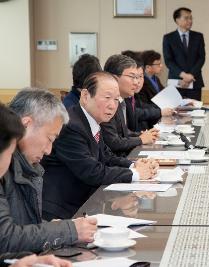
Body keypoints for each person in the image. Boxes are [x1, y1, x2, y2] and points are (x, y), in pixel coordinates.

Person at [41, 72, 158, 220]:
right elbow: (91, 172)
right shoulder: (72, 125)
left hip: (82, 204)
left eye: (116, 100)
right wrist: (137, 174)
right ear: (85, 95)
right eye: (107, 97)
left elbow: (106, 156)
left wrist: (134, 165)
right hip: (61, 210)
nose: (112, 105)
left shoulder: (91, 119)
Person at [0, 89, 97, 253]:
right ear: (26, 125)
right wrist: (68, 230)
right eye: (50, 139)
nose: (49, 150)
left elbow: (22, 227)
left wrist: (54, 229)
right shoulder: (3, 165)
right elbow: (5, 238)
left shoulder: (27, 166)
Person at [102, 54, 159, 156]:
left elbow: (123, 132)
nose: (137, 82)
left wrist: (143, 135)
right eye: (132, 77)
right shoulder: (106, 103)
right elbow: (113, 142)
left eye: (138, 77)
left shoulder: (120, 100)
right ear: (115, 78)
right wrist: (140, 139)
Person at [121, 51, 174, 131]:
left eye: (140, 76)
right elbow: (136, 113)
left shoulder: (134, 94)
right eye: (133, 76)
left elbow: (143, 106)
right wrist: (160, 112)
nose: (137, 81)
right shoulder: (121, 97)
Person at [163, 7, 205, 100]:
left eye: (191, 18)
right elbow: (168, 61)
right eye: (186, 18)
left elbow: (201, 58)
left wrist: (190, 76)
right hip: (176, 82)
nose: (190, 21)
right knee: (175, 111)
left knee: (195, 111)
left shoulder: (198, 37)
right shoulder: (168, 38)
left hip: (194, 82)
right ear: (177, 20)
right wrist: (183, 75)